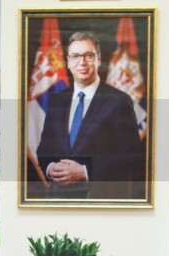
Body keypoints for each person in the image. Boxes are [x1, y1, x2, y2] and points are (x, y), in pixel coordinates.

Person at [33, 31, 145, 200]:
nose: (82, 62)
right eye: (75, 56)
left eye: (88, 55)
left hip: (100, 200)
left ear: (99, 59)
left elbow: (131, 158)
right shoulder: (57, 100)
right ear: (68, 62)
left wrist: (86, 172)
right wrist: (50, 168)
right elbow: (44, 150)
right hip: (59, 202)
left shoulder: (119, 101)